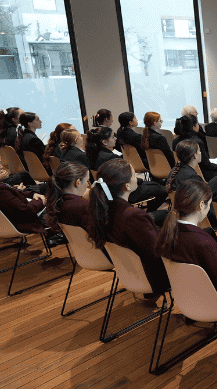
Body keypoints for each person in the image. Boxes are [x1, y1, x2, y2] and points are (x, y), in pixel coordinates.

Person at [88, 158, 169, 297]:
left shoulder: (103, 211)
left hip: (131, 273)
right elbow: (156, 254)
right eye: (134, 175)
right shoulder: (132, 217)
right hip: (157, 277)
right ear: (127, 186)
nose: (137, 177)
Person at [157, 178, 217, 315]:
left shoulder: (167, 233)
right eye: (209, 205)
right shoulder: (203, 243)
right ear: (201, 205)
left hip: (185, 299)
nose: (209, 208)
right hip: (214, 304)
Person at [87, 126, 167, 212]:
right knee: (162, 190)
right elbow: (125, 178)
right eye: (113, 137)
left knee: (153, 185)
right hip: (123, 193)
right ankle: (149, 213)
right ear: (104, 142)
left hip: (108, 193)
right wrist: (139, 181)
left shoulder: (91, 155)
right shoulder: (112, 158)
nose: (115, 138)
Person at [45, 161, 93, 234]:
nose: (87, 185)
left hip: (76, 244)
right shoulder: (83, 206)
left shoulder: (54, 201)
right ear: (78, 182)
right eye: (87, 181)